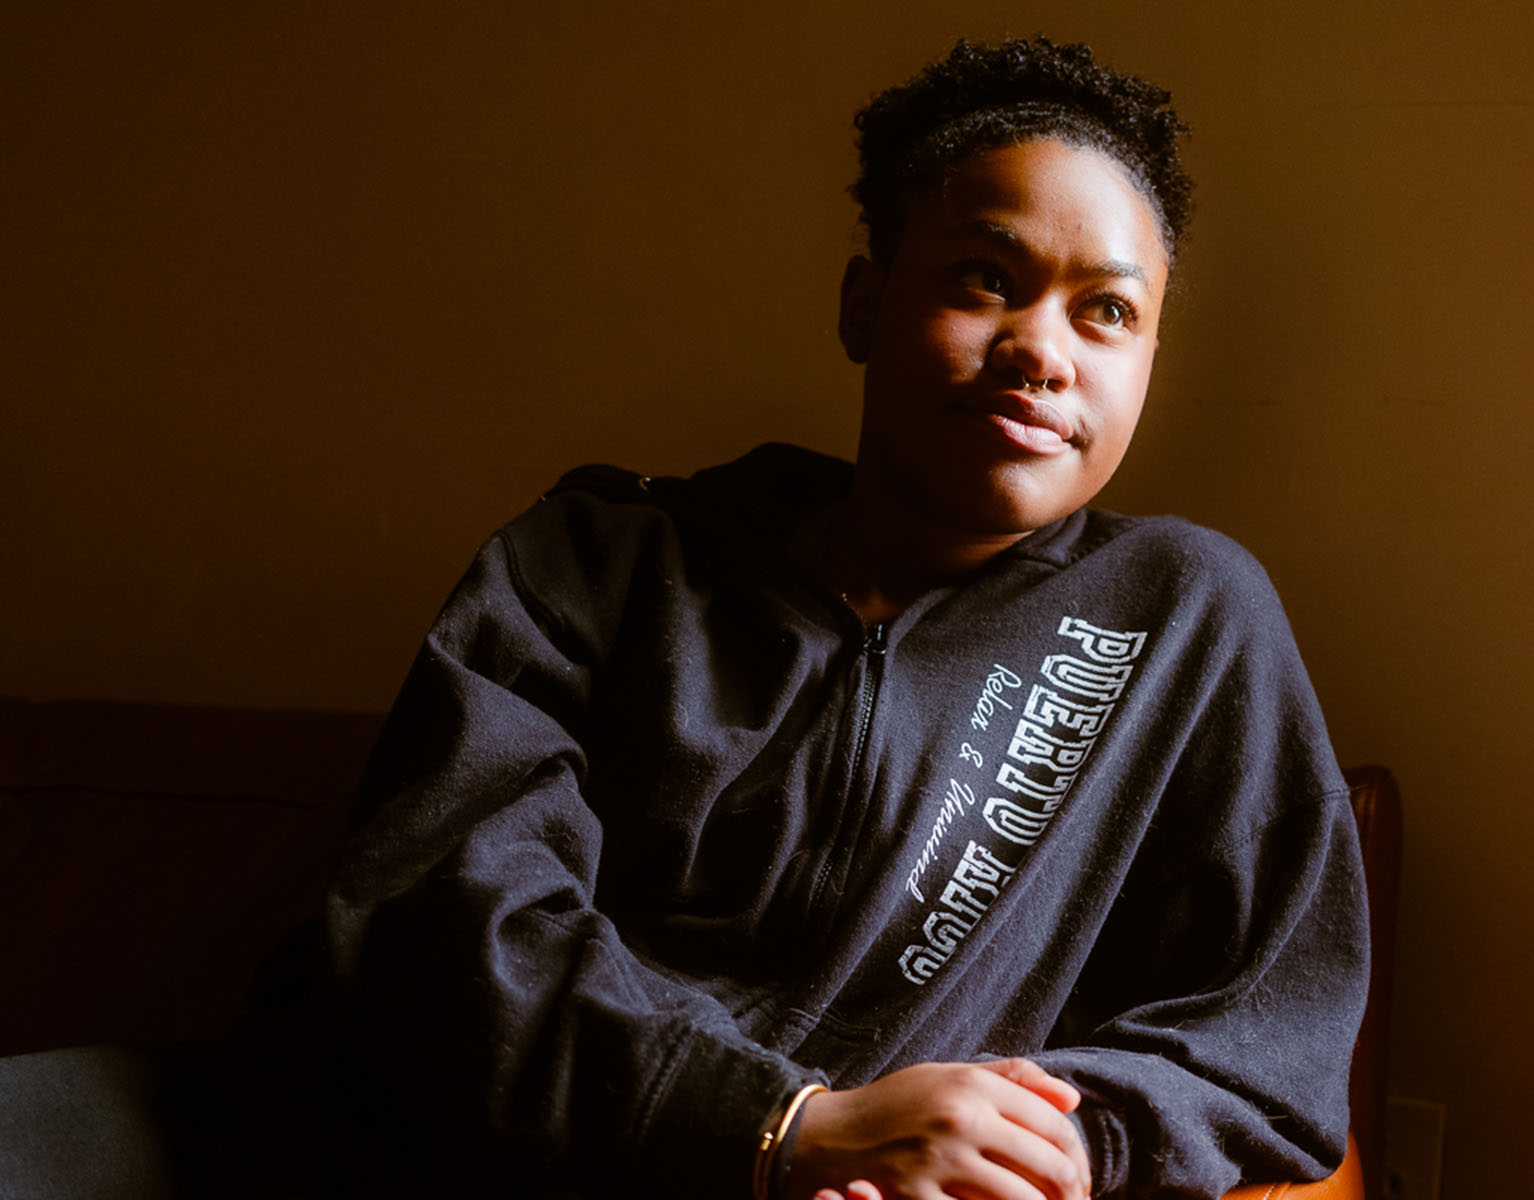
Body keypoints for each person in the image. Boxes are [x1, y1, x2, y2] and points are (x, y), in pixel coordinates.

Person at [297, 37, 1370, 1200]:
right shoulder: (595, 564)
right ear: (865, 304)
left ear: (1149, 357)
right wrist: (782, 1125)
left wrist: (1060, 1140)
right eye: (984, 280)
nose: (1041, 353)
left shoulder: (1186, 618)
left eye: (1106, 311)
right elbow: (438, 921)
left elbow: (1271, 1047)